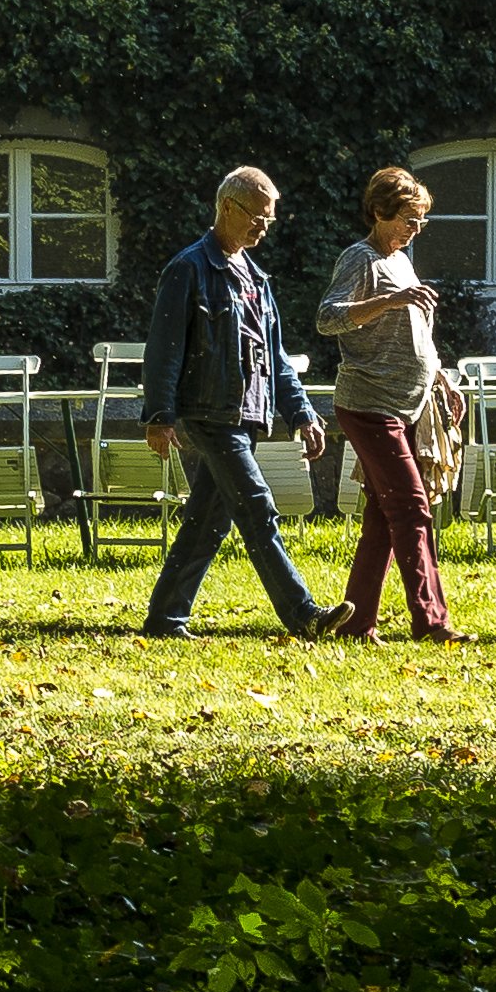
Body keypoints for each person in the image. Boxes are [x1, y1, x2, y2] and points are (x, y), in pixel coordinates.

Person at [138, 166, 338, 640]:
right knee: (257, 508)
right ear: (228, 207)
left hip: (248, 415)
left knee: (206, 523)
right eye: (257, 218)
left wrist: (303, 412)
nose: (263, 228)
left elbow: (276, 357)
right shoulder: (188, 268)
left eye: (269, 220)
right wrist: (160, 415)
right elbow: (163, 346)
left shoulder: (257, 279)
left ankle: (165, 619)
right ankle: (304, 614)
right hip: (207, 415)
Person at [318, 166, 461, 642]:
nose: (414, 230)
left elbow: (417, 330)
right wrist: (388, 300)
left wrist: (441, 378)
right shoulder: (360, 260)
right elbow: (327, 318)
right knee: (412, 509)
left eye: (420, 222)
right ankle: (432, 623)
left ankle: (357, 624)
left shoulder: (401, 260)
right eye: (407, 220)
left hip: (409, 404)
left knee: (383, 518)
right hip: (368, 404)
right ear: (379, 212)